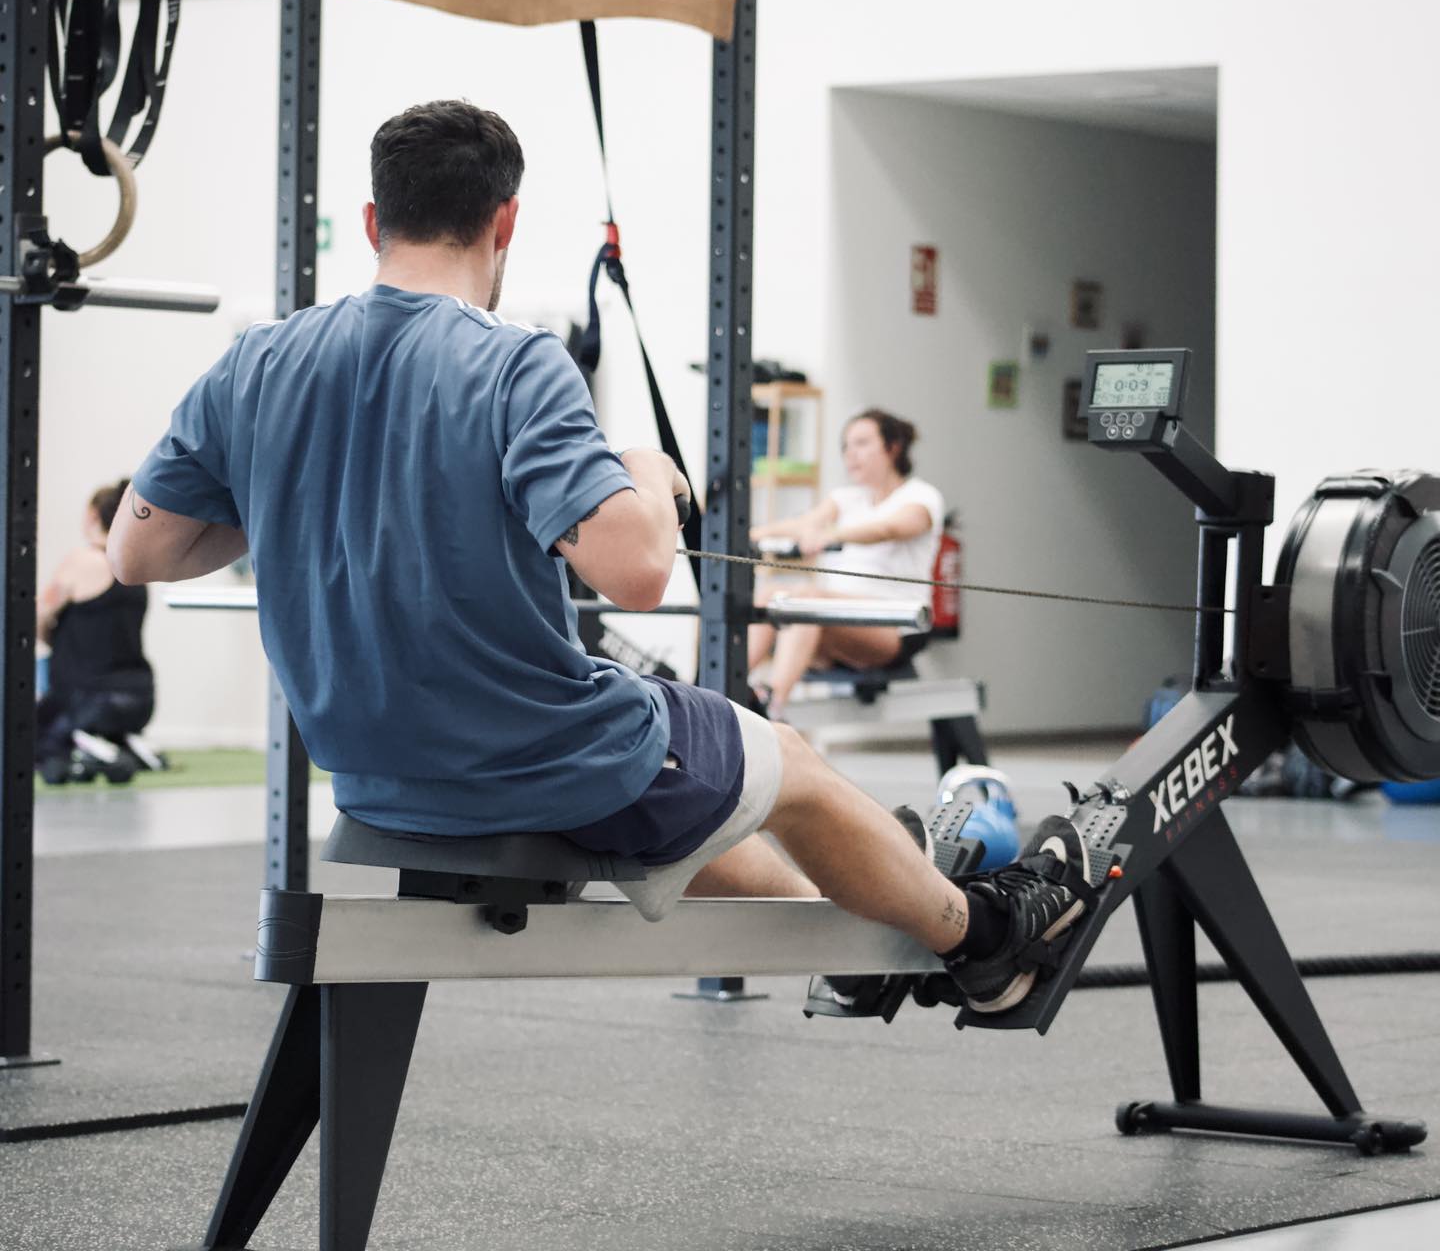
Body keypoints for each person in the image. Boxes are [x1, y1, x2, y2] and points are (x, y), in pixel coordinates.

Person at [107, 100, 1088, 1016]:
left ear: (373, 221)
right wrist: (648, 472)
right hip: (533, 754)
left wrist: (292, 495)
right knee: (783, 760)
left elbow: (138, 550)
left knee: (699, 795)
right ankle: (989, 940)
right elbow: (640, 573)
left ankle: (864, 934)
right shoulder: (513, 361)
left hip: (370, 772)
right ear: (507, 222)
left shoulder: (257, 361)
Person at [748, 409, 944, 718]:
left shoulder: (920, 497)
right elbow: (802, 524)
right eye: (845, 446)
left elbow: (889, 529)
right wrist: (744, 535)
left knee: (806, 600)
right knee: (768, 594)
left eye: (862, 443)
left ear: (893, 447)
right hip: (836, 622)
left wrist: (831, 535)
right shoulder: (847, 498)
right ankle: (715, 690)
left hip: (895, 627)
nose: (850, 454)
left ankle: (770, 703)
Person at [36, 478, 156, 782]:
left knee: (29, 736)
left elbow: (35, 617)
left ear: (92, 516)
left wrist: (50, 638)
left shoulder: (82, 561)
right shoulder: (136, 568)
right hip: (140, 699)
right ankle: (117, 741)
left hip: (86, 698)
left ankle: (84, 744)